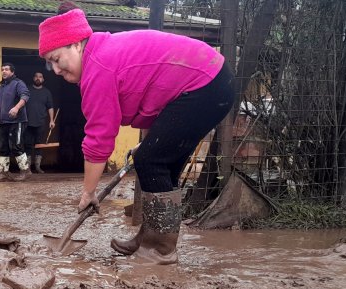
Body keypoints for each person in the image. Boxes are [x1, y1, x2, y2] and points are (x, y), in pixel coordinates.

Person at [38, 3, 234, 264]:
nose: (57, 70)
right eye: (50, 64)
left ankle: (160, 249)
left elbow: (99, 140)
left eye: (56, 59)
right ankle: (151, 238)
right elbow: (154, 95)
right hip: (210, 81)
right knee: (161, 161)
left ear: (76, 45)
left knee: (152, 161)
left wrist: (89, 192)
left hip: (206, 84)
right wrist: (152, 142)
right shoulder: (101, 53)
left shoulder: (98, 67)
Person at [0, 63, 31, 182]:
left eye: (6, 69)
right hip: (3, 121)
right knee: (3, 147)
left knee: (17, 145)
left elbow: (25, 96)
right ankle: (4, 173)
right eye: (2, 69)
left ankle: (26, 171)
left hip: (17, 121)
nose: (4, 71)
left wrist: (16, 108)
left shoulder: (18, 83)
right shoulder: (2, 87)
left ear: (12, 72)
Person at [24, 71, 56, 173]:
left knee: (39, 145)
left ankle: (38, 167)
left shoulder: (47, 92)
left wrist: (51, 120)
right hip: (27, 122)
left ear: (43, 79)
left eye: (40, 77)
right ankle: (27, 168)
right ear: (33, 78)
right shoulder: (27, 90)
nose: (38, 78)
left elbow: (50, 107)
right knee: (27, 144)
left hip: (40, 122)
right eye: (36, 76)